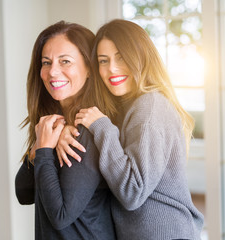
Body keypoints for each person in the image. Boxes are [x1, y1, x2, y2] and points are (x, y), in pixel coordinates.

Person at [60, 19, 204, 240]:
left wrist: (102, 128)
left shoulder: (150, 106)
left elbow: (132, 192)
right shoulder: (125, 106)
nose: (112, 69)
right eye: (103, 60)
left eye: (121, 57)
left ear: (140, 56)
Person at [14, 20, 116, 240]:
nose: (53, 72)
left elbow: (60, 215)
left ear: (89, 68)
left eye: (65, 61)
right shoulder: (52, 128)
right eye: (46, 62)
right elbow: (23, 193)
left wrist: (43, 151)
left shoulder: (88, 130)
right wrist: (40, 147)